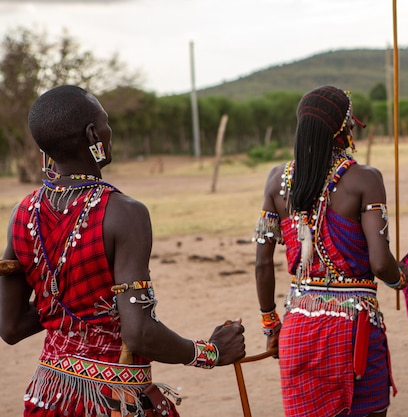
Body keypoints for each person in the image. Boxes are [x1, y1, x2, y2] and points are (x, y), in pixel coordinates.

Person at [0, 85, 246, 416]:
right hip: (111, 402)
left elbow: (10, 327)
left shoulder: (22, 212)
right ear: (92, 134)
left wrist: (69, 305)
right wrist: (211, 352)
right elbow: (140, 333)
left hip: (49, 397)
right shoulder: (124, 212)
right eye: (105, 122)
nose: (109, 130)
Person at [253, 85, 407, 417]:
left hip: (297, 330)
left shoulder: (276, 179)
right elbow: (381, 263)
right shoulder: (365, 179)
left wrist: (271, 326)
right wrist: (401, 280)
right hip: (354, 328)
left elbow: (262, 262)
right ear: (345, 128)